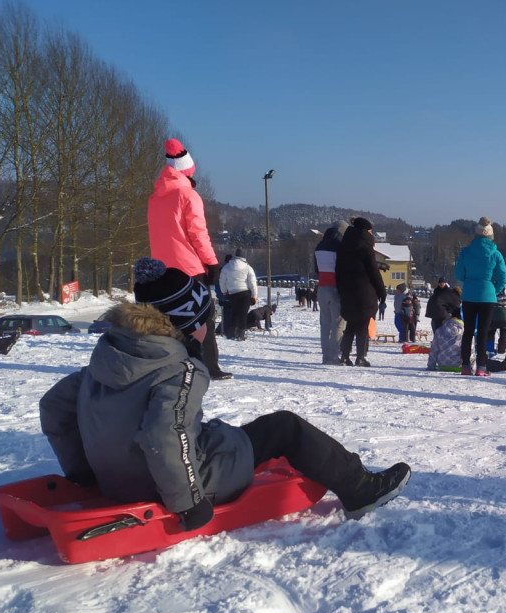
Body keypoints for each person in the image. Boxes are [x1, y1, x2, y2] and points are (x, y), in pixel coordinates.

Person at [39, 258, 410, 527]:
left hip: (114, 481)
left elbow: (54, 406)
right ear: (187, 324)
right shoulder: (179, 369)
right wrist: (188, 504)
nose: (208, 331)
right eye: (206, 323)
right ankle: (360, 488)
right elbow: (163, 433)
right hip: (177, 487)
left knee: (220, 430)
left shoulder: (109, 355)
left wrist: (85, 472)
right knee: (283, 427)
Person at [148, 138, 229, 380]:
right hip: (190, 268)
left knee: (169, 322)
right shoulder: (188, 195)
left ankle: (173, 366)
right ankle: (209, 367)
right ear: (187, 170)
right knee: (203, 319)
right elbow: (198, 234)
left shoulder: (155, 198)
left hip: (162, 270)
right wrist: (212, 263)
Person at [455, 217, 506, 376]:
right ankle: (481, 367)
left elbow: (458, 273)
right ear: (491, 236)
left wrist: (470, 282)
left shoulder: (466, 251)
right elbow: (503, 277)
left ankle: (465, 366)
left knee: (468, 331)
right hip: (487, 296)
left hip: (469, 294)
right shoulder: (496, 254)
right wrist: (494, 289)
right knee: (484, 332)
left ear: (476, 234)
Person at [335, 217, 386, 367]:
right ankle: (360, 357)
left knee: (350, 325)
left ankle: (344, 356)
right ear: (365, 231)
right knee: (363, 326)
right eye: (371, 231)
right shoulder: (365, 247)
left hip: (347, 292)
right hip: (364, 293)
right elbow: (374, 273)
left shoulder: (343, 247)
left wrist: (341, 290)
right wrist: (382, 293)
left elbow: (337, 271)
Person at [314, 222, 349, 364]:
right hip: (336, 287)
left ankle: (325, 355)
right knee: (338, 324)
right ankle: (334, 356)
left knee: (325, 323)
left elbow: (316, 269)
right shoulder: (341, 245)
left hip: (322, 287)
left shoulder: (319, 246)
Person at [219, 248, 258, 340]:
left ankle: (232, 333)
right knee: (243, 314)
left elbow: (222, 281)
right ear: (244, 257)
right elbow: (252, 282)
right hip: (245, 293)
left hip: (232, 294)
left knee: (234, 313)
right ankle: (240, 335)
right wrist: (254, 296)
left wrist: (224, 291)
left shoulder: (227, 267)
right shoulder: (248, 267)